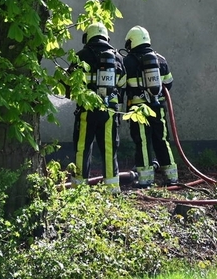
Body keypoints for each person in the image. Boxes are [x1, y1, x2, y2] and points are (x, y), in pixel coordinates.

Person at [67, 22, 124, 188]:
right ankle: (112, 188)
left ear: (88, 36)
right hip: (109, 111)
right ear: (107, 36)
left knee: (82, 148)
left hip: (87, 110)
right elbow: (121, 83)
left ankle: (79, 188)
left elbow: (68, 82)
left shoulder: (80, 56)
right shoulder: (117, 57)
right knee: (109, 149)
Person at [121, 25, 177, 187]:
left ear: (132, 41)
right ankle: (171, 177)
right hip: (159, 108)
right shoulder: (160, 59)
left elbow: (121, 86)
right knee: (162, 140)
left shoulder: (128, 62)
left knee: (143, 142)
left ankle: (145, 179)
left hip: (138, 110)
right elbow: (169, 83)